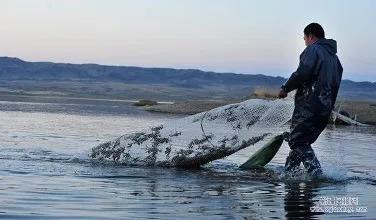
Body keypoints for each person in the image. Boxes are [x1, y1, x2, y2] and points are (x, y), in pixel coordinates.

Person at [278, 23, 343, 176]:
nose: (305, 41)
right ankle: (288, 174)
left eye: (305, 38)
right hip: (324, 109)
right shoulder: (335, 58)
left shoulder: (313, 50)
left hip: (309, 106)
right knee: (301, 141)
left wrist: (285, 88)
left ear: (311, 36)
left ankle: (317, 175)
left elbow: (302, 72)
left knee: (297, 141)